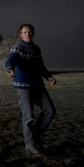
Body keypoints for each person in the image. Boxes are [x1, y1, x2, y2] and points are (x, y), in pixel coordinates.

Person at [5, 24, 56, 155]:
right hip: (22, 86)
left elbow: (41, 66)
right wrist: (9, 69)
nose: (27, 34)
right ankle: (30, 144)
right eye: (25, 32)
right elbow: (10, 60)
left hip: (37, 85)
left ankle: (34, 135)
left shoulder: (36, 49)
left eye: (30, 32)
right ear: (21, 34)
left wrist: (48, 77)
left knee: (50, 111)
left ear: (33, 33)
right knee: (28, 116)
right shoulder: (17, 47)